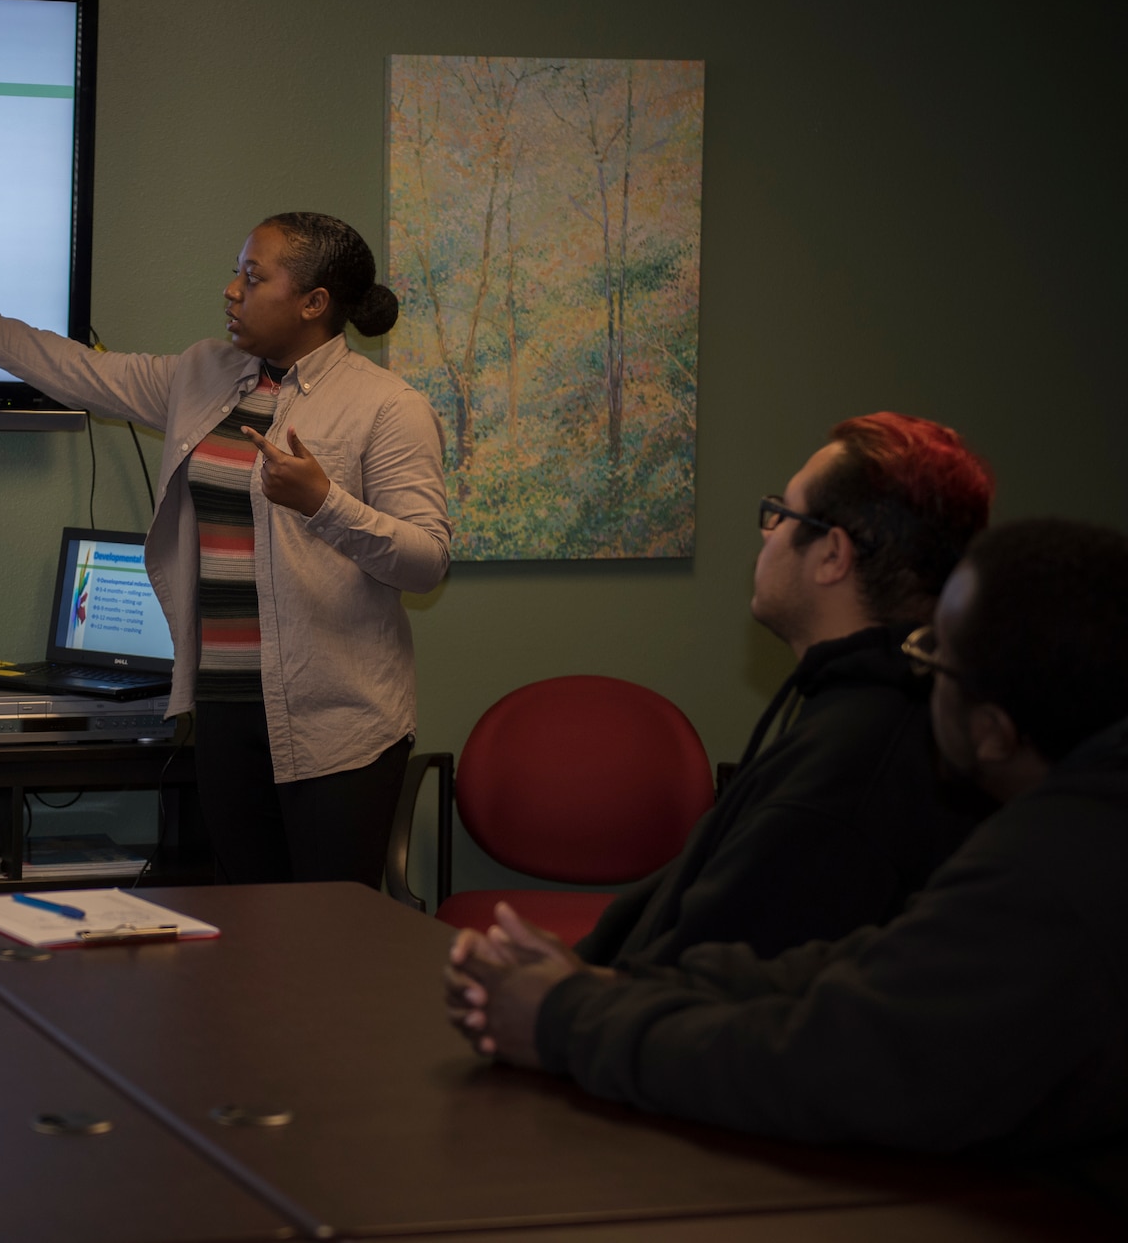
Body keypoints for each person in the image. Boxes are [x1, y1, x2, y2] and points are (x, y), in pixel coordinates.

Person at [445, 518, 1128, 1181]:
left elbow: (825, 1062)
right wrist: (606, 986)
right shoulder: (1078, 828)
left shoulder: (1048, 875)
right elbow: (865, 967)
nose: (915, 675)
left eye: (931, 656)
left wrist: (566, 1018)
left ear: (994, 731)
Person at [0, 213, 451, 885]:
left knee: (327, 942)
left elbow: (426, 559)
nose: (232, 290)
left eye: (253, 277)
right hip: (226, 711)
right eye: (236, 271)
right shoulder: (205, 373)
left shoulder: (387, 407)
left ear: (314, 302)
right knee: (252, 931)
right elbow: (81, 371)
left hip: (338, 722)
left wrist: (326, 503)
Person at [576, 413, 992, 970]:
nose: (766, 535)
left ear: (831, 556)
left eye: (781, 514)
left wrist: (556, 1001)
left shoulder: (855, 763)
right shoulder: (862, 709)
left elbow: (695, 986)